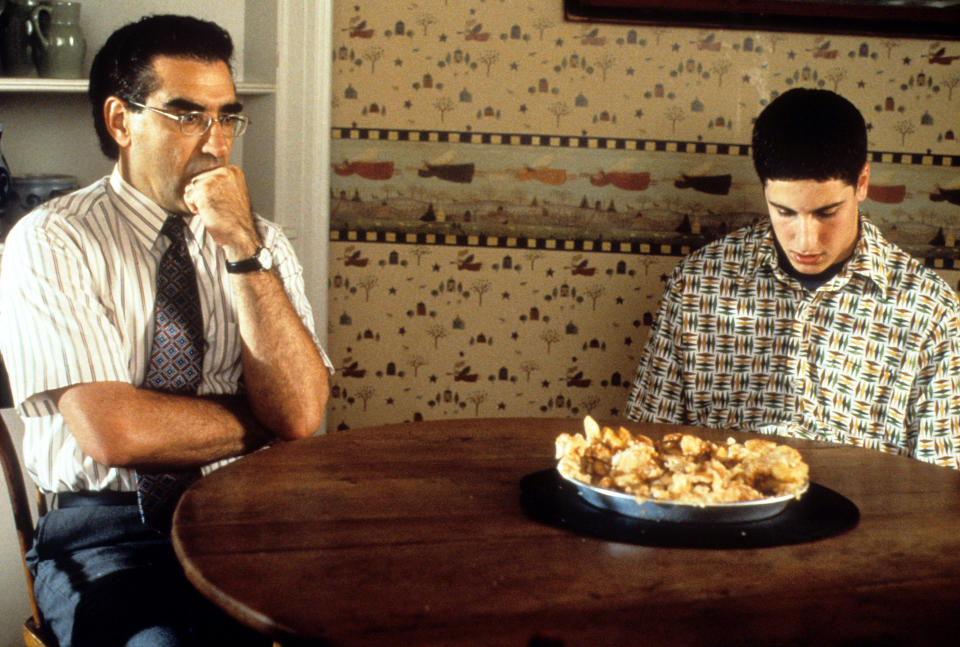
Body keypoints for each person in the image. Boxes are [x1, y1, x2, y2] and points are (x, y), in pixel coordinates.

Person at [0, 15, 333, 647]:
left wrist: (241, 248)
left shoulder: (263, 242)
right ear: (121, 122)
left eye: (227, 117)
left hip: (249, 518)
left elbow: (304, 413)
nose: (215, 143)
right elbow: (115, 432)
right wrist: (266, 418)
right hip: (109, 535)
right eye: (186, 116)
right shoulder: (51, 240)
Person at [626, 87, 960, 470]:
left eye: (826, 213)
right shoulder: (698, 284)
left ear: (862, 183)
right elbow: (644, 449)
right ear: (763, 190)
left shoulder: (930, 312)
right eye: (784, 212)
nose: (806, 241)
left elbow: (944, 485)